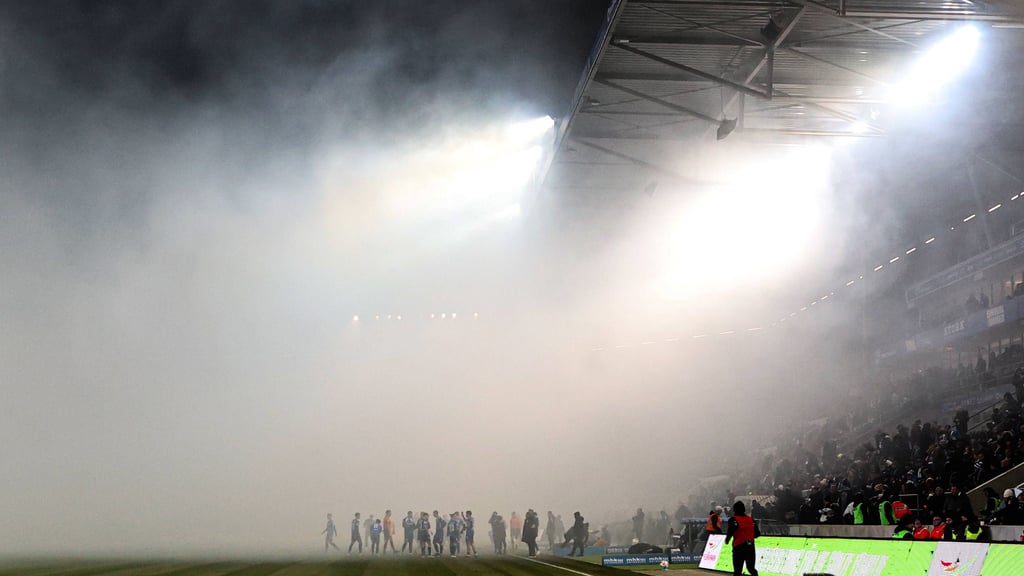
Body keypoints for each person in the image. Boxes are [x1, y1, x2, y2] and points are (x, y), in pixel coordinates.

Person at [724, 501, 759, 576]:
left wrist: (727, 540)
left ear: (734, 510)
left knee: (737, 570)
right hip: (750, 547)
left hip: (738, 547)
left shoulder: (733, 519)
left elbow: (730, 532)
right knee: (751, 568)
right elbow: (757, 534)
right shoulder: (751, 519)